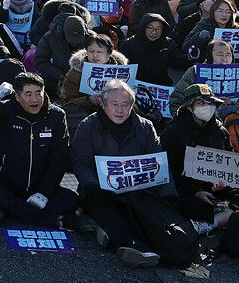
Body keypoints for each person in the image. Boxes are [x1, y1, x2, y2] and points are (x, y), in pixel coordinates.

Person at [71, 80, 198, 269]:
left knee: (150, 212)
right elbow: (81, 163)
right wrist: (92, 184)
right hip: (100, 190)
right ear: (103, 104)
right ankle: (132, 246)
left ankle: (160, 244)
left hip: (137, 189)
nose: (120, 110)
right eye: (114, 104)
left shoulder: (145, 127)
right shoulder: (88, 126)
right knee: (106, 207)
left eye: (125, 105)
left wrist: (168, 196)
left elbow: (158, 164)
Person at [0, 72, 82, 228]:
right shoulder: (6, 110)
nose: (34, 99)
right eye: (28, 94)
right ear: (18, 97)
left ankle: (12, 211)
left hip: (41, 184)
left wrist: (44, 192)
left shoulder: (56, 116)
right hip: (9, 183)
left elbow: (59, 157)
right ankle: (55, 220)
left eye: (38, 93)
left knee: (72, 199)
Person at [161, 83, 239, 234]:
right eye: (201, 103)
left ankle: (215, 221)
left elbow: (228, 160)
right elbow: (169, 171)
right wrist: (196, 191)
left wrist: (224, 182)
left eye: (210, 102)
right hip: (188, 189)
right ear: (189, 106)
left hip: (217, 186)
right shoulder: (172, 132)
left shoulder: (220, 129)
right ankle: (225, 218)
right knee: (177, 202)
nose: (207, 107)